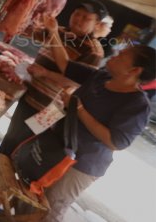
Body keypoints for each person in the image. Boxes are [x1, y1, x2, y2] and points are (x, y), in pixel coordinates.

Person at [25, 15, 154, 221]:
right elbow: (64, 64)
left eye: (123, 55)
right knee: (29, 194)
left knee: (48, 208)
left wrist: (79, 109)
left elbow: (115, 142)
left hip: (81, 164)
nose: (116, 54)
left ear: (134, 70)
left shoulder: (137, 105)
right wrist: (53, 30)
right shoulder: (101, 76)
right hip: (58, 147)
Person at [0, 0, 107, 155]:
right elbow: (28, 31)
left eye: (86, 18)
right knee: (12, 135)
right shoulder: (61, 31)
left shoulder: (94, 51)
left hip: (51, 107)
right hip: (30, 94)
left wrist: (45, 73)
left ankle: (4, 170)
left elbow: (77, 82)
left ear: (97, 24)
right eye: (77, 14)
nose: (78, 19)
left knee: (23, 144)